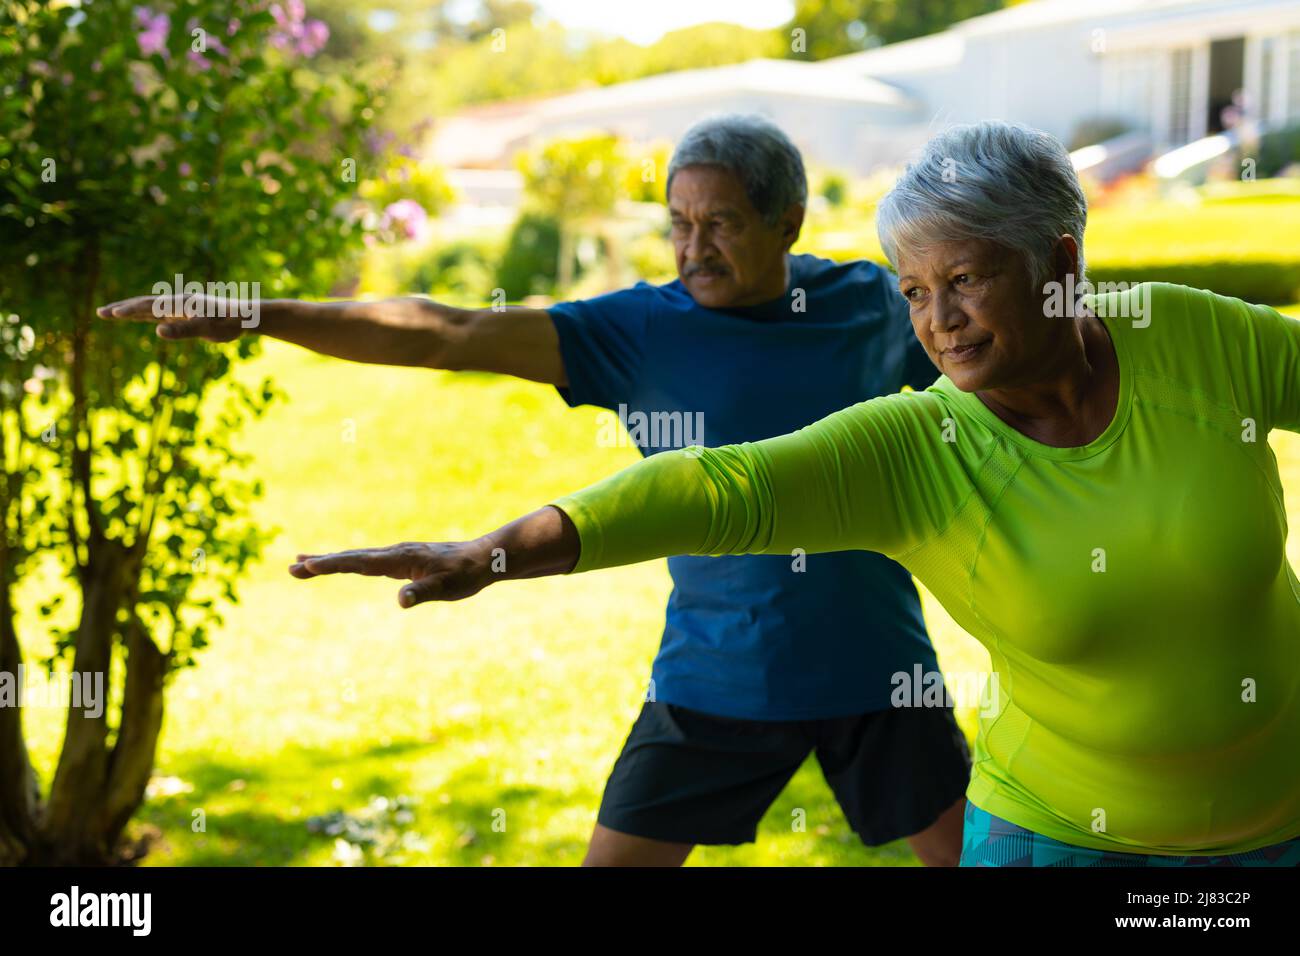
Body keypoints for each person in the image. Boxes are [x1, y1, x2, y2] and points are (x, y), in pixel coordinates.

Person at [286, 120, 1300, 866]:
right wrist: (494, 549)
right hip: (1014, 811)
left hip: (1251, 812)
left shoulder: (1188, 336)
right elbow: (712, 485)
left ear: (1059, 264)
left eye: (964, 281)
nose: (935, 321)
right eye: (914, 290)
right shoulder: (907, 441)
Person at [98, 114, 971, 867]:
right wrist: (265, 313)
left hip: (877, 667)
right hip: (717, 674)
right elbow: (448, 332)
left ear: (787, 222)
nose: (693, 248)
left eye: (722, 224)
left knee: (981, 857)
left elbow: (997, 351)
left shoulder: (868, 302)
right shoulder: (637, 328)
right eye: (678, 224)